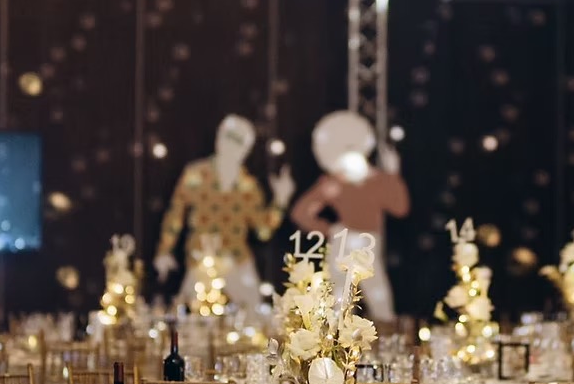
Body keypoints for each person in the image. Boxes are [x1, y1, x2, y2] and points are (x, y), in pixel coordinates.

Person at [155, 115, 294, 304]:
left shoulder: (248, 186)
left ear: (246, 149)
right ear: (219, 138)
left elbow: (263, 230)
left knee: (253, 318)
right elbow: (175, 215)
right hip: (201, 259)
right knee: (193, 317)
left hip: (237, 260)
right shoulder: (196, 175)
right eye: (228, 137)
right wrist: (164, 251)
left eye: (238, 142)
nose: (231, 146)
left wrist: (280, 200)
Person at [289, 111, 409, 321]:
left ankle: (386, 345)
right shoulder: (335, 181)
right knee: (339, 302)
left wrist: (393, 175)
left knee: (379, 299)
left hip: (368, 245)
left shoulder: (377, 180)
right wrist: (329, 230)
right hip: (343, 243)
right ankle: (336, 348)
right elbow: (301, 212)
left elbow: (399, 208)